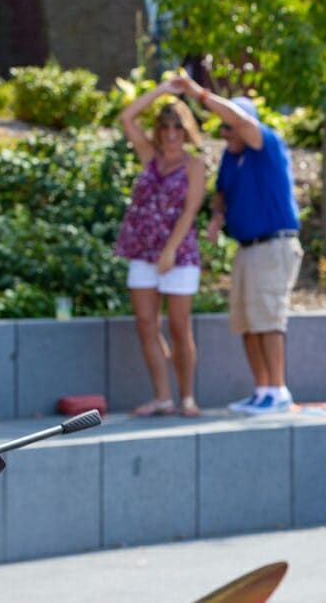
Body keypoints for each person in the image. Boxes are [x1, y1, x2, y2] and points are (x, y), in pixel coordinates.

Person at [172, 75, 303, 416]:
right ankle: (262, 391)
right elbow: (221, 193)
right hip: (246, 248)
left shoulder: (267, 146)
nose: (225, 134)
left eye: (229, 128)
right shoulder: (232, 159)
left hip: (273, 246)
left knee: (268, 319)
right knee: (246, 322)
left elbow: (243, 121)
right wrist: (216, 217)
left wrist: (199, 94)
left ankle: (278, 390)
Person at [115, 80, 206, 418]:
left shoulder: (194, 166)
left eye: (177, 127)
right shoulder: (149, 157)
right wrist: (164, 90)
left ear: (186, 131)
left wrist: (169, 250)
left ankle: (187, 397)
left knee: (180, 326)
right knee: (145, 323)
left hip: (178, 255)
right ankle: (162, 397)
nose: (170, 133)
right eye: (165, 126)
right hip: (142, 250)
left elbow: (190, 209)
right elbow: (127, 117)